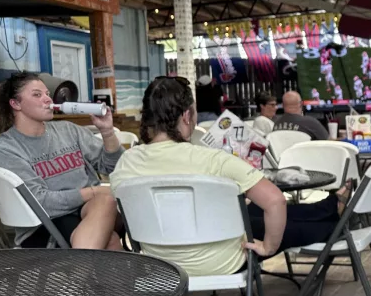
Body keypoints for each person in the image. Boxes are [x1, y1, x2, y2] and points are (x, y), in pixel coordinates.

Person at [111, 77, 340, 277]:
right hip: (224, 260)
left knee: (253, 212)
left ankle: (331, 205)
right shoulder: (213, 160)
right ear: (187, 116)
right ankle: (337, 218)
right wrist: (269, 248)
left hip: (161, 265)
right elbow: (276, 200)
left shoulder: (126, 163)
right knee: (281, 227)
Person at [0, 71, 123, 250]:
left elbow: (114, 167)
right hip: (44, 223)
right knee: (111, 240)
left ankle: (79, 273)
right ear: (15, 104)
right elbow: (38, 203)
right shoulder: (6, 148)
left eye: (47, 94)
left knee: (107, 200)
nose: (47, 99)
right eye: (37, 95)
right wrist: (93, 191)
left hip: (92, 210)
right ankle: (83, 270)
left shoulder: (69, 130)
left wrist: (107, 132)